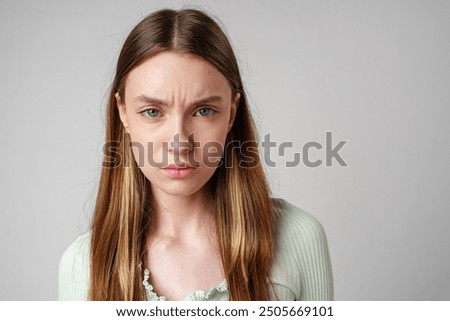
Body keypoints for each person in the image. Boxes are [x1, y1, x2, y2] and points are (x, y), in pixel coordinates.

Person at [58, 8, 333, 301]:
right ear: (123, 112)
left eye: (204, 111)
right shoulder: (83, 266)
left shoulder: (299, 239)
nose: (179, 143)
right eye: (152, 111)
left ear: (231, 112)